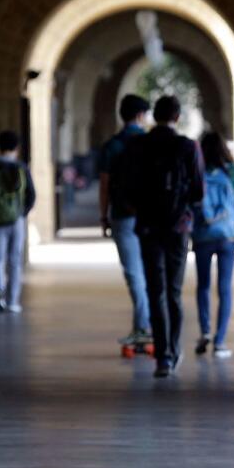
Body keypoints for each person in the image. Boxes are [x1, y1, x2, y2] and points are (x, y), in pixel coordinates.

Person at [119, 96, 205, 377]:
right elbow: (198, 191)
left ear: (154, 116)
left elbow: (127, 187)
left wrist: (143, 210)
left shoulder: (138, 146)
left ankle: (162, 358)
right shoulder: (188, 147)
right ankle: (173, 348)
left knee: (155, 290)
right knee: (174, 292)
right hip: (178, 228)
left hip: (148, 227)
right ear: (177, 117)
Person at [97, 94, 153, 349]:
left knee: (134, 274)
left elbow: (105, 184)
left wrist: (103, 215)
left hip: (122, 215)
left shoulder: (113, 145)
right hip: (151, 217)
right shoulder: (150, 143)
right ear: (141, 115)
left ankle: (142, 328)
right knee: (151, 272)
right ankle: (146, 325)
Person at [192, 132, 234, 359]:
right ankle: (220, 341)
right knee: (225, 288)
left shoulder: (198, 172)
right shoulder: (233, 172)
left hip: (203, 234)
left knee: (203, 285)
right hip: (228, 236)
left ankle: (205, 330)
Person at [0, 130, 35, 313]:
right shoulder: (21, 167)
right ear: (17, 148)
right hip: (17, 221)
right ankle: (13, 301)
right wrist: (21, 213)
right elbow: (31, 195)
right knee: (15, 260)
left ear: (0, 145)